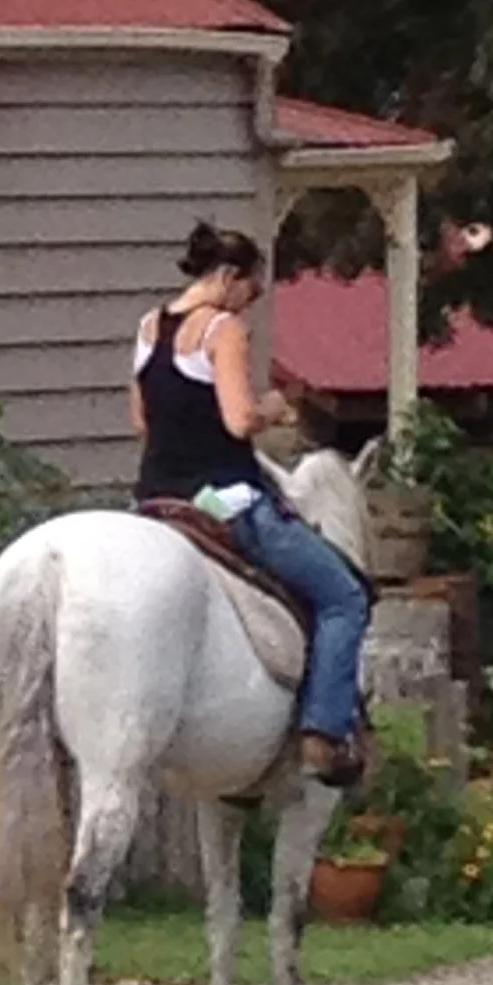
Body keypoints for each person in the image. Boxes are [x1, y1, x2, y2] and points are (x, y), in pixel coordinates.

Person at [130, 220, 370, 785]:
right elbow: (239, 419)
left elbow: (140, 421)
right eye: (253, 291)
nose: (250, 306)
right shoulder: (222, 329)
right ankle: (322, 733)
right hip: (225, 500)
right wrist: (275, 407)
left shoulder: (146, 329)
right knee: (345, 595)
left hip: (155, 495)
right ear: (229, 278)